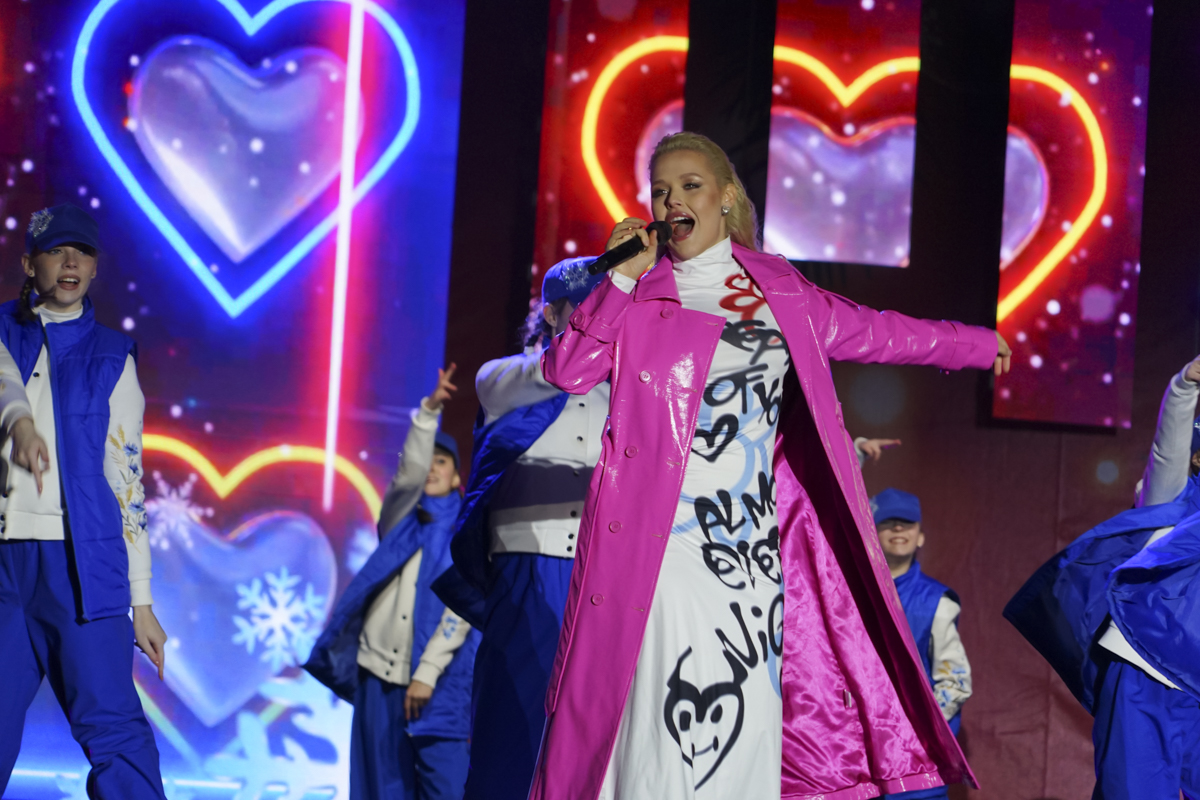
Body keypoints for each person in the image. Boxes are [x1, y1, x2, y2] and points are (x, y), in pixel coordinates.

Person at [530, 131, 1011, 800]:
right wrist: (617, 280)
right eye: (661, 191)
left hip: (750, 552)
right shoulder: (638, 295)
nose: (673, 201)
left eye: (690, 185)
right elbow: (566, 371)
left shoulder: (779, 289)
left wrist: (974, 345)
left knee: (747, 714)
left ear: (726, 197)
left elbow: (878, 331)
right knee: (665, 718)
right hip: (662, 545)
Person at [0, 204, 168, 797]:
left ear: (95, 268)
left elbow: (128, 482)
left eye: (84, 252)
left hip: (81, 567)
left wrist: (141, 600)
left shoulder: (112, 357)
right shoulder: (2, 334)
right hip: (4, 565)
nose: (71, 261)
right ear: (30, 264)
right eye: (56, 250)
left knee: (114, 731)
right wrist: (19, 424)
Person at [432, 257, 607, 800]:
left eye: (606, 310)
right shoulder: (504, 377)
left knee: (593, 738)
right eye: (586, 310)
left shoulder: (625, 394)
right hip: (526, 570)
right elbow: (556, 372)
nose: (599, 322)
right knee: (513, 729)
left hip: (601, 576)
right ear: (552, 314)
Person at [1006, 354, 1200, 800]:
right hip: (1146, 669)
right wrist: (1184, 386)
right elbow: (1167, 450)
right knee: (1133, 791)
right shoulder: (1172, 499)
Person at [305, 366, 480, 800]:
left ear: (457, 477)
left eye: (443, 462)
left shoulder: (465, 533)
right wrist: (428, 413)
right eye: (429, 460)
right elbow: (409, 474)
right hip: (376, 675)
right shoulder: (400, 520)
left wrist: (427, 672)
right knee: (379, 788)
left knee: (442, 788)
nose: (432, 468)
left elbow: (460, 612)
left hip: (432, 683)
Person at [871, 488, 972, 800]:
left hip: (916, 767)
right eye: (888, 522)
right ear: (871, 533)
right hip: (858, 764)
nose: (898, 528)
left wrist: (910, 732)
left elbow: (956, 683)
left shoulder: (937, 602)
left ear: (920, 537)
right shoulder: (847, 596)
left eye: (907, 522)